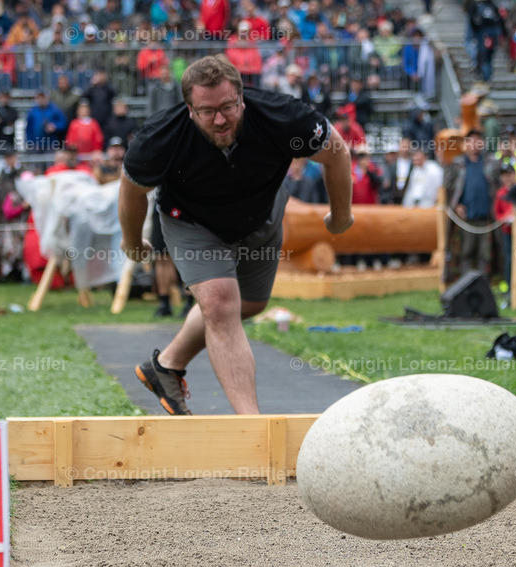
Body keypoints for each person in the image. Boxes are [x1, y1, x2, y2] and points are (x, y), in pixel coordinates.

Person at [118, 55, 353, 415]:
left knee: (250, 304)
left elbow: (336, 151)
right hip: (192, 221)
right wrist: (132, 242)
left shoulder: (282, 116)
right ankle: (251, 427)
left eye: (228, 106)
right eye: (207, 111)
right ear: (190, 109)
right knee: (220, 303)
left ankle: (165, 366)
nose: (220, 119)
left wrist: (341, 215)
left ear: (242, 97)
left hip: (260, 216)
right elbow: (131, 189)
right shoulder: (160, 137)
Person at [446, 129, 498, 274]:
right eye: (471, 140)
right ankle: (465, 287)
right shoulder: (458, 164)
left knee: (485, 255)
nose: (475, 144)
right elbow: (449, 189)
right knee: (465, 252)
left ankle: (483, 286)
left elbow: (498, 186)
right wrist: (456, 206)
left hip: (487, 217)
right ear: (466, 144)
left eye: (478, 140)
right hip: (465, 218)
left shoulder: (490, 163)